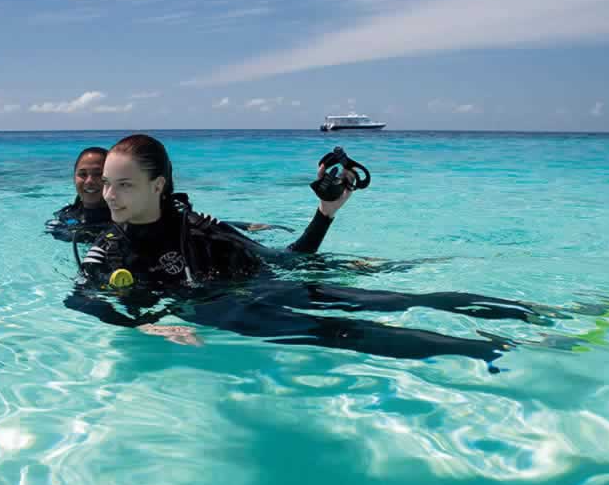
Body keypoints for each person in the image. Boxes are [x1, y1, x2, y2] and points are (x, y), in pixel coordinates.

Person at [64, 134, 562, 370]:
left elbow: (286, 259)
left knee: (389, 300)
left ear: (159, 184)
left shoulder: (201, 229)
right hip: (227, 312)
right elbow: (82, 299)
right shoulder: (108, 246)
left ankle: (537, 315)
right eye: (107, 185)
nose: (109, 195)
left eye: (123, 185)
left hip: (261, 289)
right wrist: (141, 324)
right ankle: (492, 350)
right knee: (344, 334)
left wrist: (325, 215)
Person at [45, 146, 291, 244]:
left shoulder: (129, 210)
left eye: (98, 174)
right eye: (82, 174)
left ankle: (245, 225)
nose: (89, 181)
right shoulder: (66, 216)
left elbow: (188, 226)